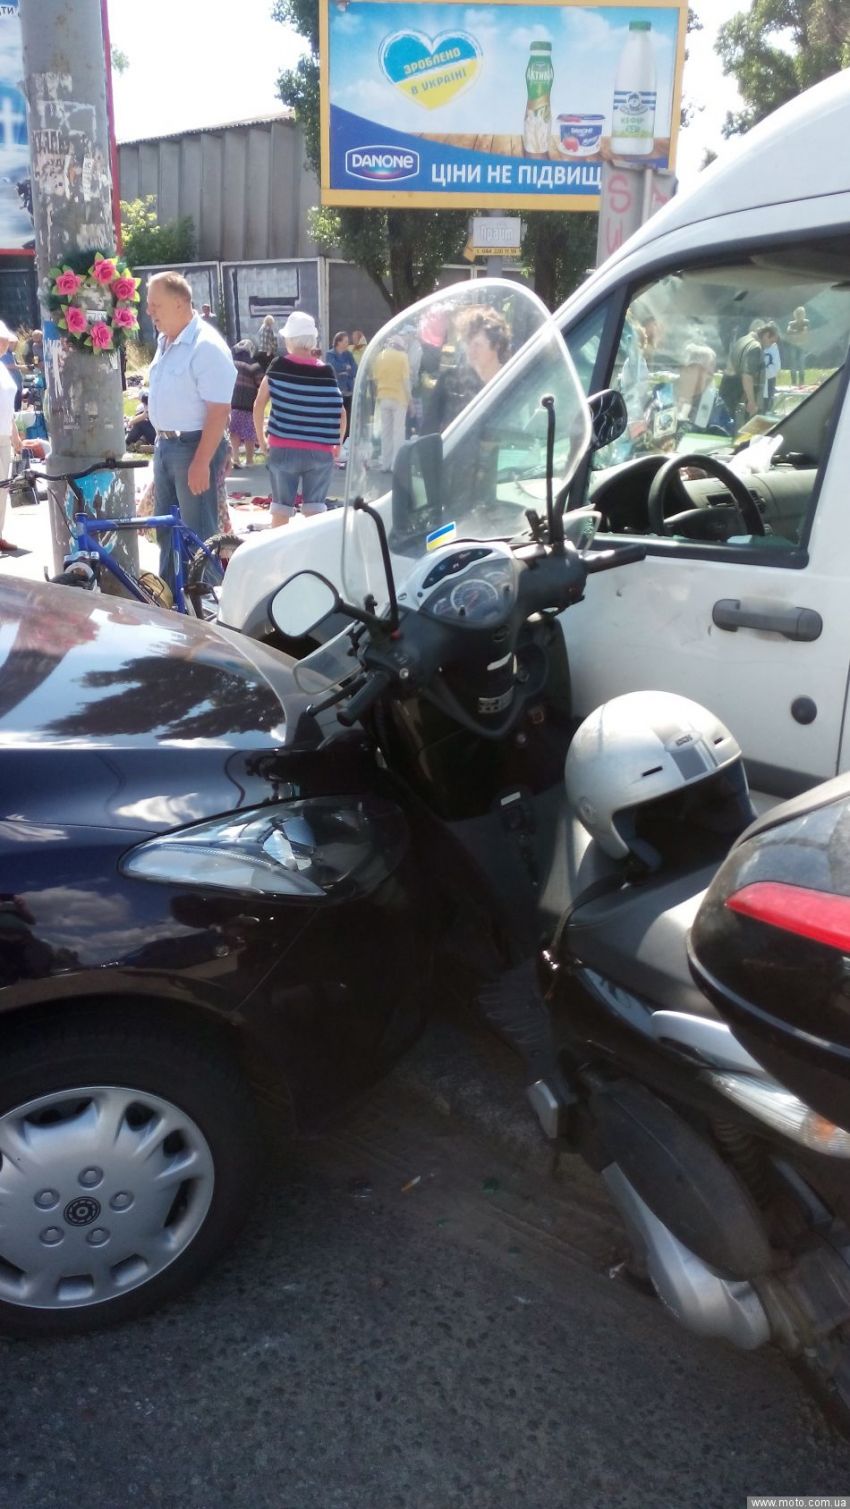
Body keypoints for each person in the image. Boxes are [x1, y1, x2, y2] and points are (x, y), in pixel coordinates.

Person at [146, 271, 236, 584]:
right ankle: (171, 599)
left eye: (156, 304)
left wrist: (201, 461)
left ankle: (207, 603)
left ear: (180, 303)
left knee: (198, 537)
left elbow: (219, 410)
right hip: (166, 447)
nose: (150, 311)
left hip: (193, 448)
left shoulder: (206, 345)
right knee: (167, 533)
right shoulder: (166, 342)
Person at [252, 309, 345, 528]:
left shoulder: (278, 366)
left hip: (283, 447)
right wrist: (338, 443)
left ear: (290, 340)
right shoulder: (326, 372)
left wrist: (262, 440)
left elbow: (259, 404)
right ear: (312, 341)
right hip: (320, 451)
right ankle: (311, 550)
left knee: (281, 509)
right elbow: (341, 412)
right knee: (315, 512)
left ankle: (279, 549)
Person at [422, 306, 509, 433]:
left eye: (477, 345)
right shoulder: (450, 382)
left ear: (497, 345)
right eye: (468, 344)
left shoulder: (511, 382)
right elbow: (427, 432)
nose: (470, 351)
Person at [0, 320, 24, 552]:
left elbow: (7, 406)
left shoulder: (2, 367)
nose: (4, 344)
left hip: (4, 436)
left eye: (5, 340)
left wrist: (15, 435)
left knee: (2, 488)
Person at [676, 344, 734, 435]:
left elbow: (724, 433)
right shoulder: (665, 393)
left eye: (710, 373)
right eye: (702, 371)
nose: (707, 377)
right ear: (686, 369)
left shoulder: (711, 400)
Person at [373, 334, 410, 471]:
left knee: (386, 432)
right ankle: (396, 464)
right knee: (398, 432)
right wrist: (410, 399)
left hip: (383, 397)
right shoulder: (403, 357)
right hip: (399, 398)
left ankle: (385, 464)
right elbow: (406, 381)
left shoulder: (380, 356)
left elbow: (375, 379)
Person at [718, 320, 764, 428]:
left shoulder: (741, 340)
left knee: (724, 416)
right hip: (736, 384)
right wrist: (751, 400)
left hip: (728, 380)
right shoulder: (754, 346)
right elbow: (747, 376)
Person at [229, 339, 263, 466]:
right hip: (248, 404)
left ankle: (235, 458)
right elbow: (261, 383)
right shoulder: (253, 365)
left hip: (232, 402)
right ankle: (249, 460)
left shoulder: (230, 362)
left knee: (234, 431)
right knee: (249, 432)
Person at [325, 331, 357, 430]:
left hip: (349, 390)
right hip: (337, 390)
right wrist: (346, 367)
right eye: (345, 341)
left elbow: (355, 370)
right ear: (338, 342)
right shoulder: (330, 354)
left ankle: (347, 436)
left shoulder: (349, 354)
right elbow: (333, 367)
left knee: (348, 417)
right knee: (337, 417)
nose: (348, 343)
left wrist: (346, 371)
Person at [758, 322, 781, 407]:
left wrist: (765, 373)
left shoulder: (773, 347)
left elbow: (776, 367)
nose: (772, 343)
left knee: (768, 407)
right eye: (771, 341)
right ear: (766, 335)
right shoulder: (754, 346)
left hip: (769, 382)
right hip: (757, 385)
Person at [786, 305, 810, 386]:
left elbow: (805, 333)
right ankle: (793, 382)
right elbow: (788, 332)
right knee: (793, 363)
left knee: (801, 363)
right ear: (795, 315)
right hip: (793, 345)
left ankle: (801, 382)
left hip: (801, 345)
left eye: (801, 314)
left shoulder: (806, 322)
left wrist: (795, 333)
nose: (800, 316)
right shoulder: (791, 323)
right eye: (798, 314)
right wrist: (798, 333)